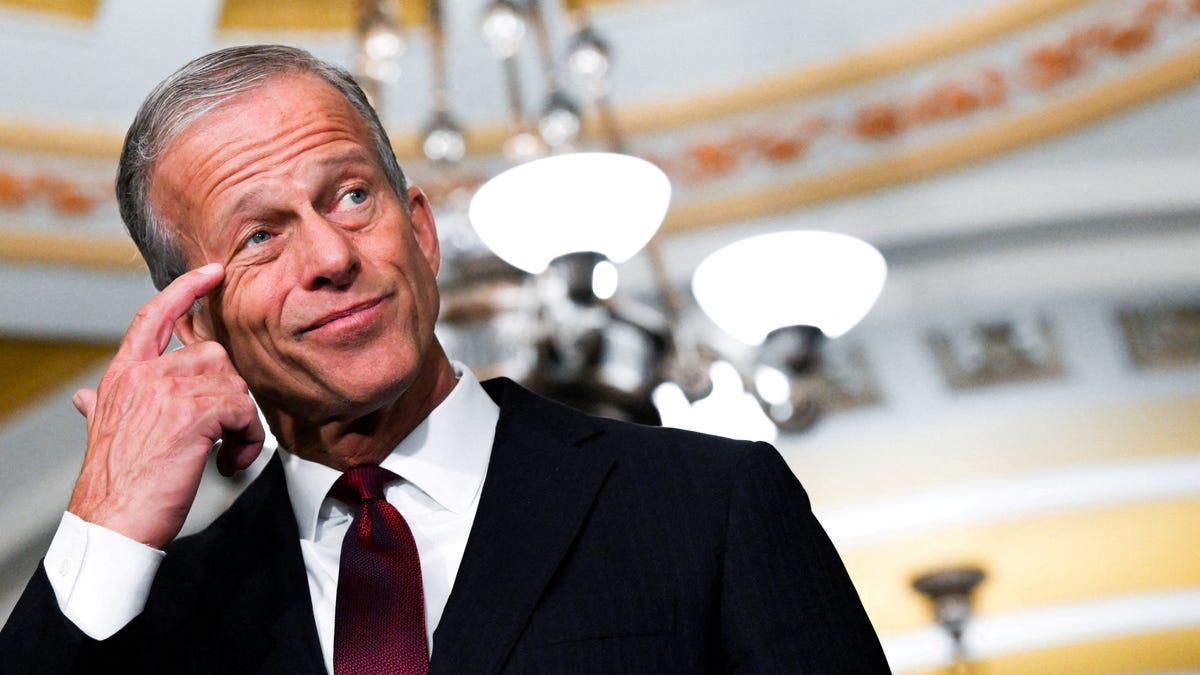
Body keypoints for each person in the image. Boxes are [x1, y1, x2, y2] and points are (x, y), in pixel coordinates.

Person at [0, 45, 889, 674]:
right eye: (261, 236)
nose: (330, 257)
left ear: (419, 229)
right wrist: (102, 522)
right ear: (197, 328)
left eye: (351, 196)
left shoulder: (709, 503)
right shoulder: (155, 620)